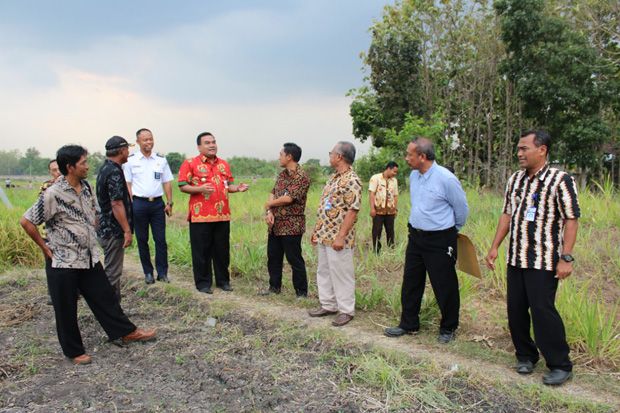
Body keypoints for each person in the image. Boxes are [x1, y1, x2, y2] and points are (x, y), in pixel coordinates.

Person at [20, 145, 156, 365]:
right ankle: (74, 351)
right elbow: (26, 221)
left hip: (88, 257)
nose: (87, 166)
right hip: (63, 261)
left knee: (105, 298)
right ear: (70, 167)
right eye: (83, 162)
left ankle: (125, 332)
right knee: (66, 308)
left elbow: (93, 214)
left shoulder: (85, 188)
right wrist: (45, 248)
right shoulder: (53, 193)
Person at [485, 130, 579, 386]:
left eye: (524, 148)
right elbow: (507, 214)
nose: (519, 153)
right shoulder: (515, 180)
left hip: (544, 260)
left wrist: (566, 257)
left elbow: (571, 218)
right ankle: (526, 355)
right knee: (515, 309)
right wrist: (495, 246)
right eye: (518, 148)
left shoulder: (560, 180)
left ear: (542, 150)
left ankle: (560, 364)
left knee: (542, 310)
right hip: (516, 258)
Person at [384, 138, 468, 344]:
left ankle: (448, 327)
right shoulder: (414, 176)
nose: (406, 158)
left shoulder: (446, 179)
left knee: (444, 284)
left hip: (440, 238)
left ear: (422, 156)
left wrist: (449, 232)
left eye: (409, 155)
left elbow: (462, 210)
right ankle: (409, 323)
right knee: (411, 280)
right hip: (416, 237)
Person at [178, 132, 249, 294]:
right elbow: (182, 186)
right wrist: (200, 189)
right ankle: (203, 283)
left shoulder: (223, 164)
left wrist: (237, 188)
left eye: (214, 142)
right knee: (201, 251)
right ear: (199, 146)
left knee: (222, 250)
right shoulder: (190, 163)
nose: (212, 145)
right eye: (207, 142)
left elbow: (228, 186)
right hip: (200, 215)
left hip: (222, 214)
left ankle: (223, 281)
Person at [309, 141, 362, 327]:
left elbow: (353, 210)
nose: (330, 155)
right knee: (323, 270)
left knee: (341, 273)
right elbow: (325, 205)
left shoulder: (352, 180)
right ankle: (328, 304)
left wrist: (341, 236)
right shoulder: (333, 178)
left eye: (331, 152)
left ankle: (346, 310)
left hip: (339, 237)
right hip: (324, 233)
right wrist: (317, 230)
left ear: (339, 156)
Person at [123, 128, 174, 284]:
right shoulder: (131, 160)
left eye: (151, 139)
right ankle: (148, 273)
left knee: (160, 240)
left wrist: (169, 202)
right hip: (139, 204)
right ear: (138, 142)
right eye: (145, 140)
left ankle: (162, 273)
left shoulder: (161, 159)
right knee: (142, 239)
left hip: (158, 204)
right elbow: (128, 184)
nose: (149, 142)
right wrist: (132, 204)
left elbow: (166, 181)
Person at [260, 143, 310, 297]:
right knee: (273, 257)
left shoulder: (302, 177)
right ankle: (274, 288)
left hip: (292, 225)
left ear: (289, 157)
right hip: (275, 224)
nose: (279, 157)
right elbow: (273, 192)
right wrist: (269, 211)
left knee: (294, 259)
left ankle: (301, 292)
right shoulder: (282, 175)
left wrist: (269, 204)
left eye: (281, 154)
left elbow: (289, 198)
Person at [96, 136, 134, 301]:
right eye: (127, 149)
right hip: (113, 229)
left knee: (113, 270)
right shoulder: (114, 171)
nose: (128, 152)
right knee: (113, 272)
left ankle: (115, 306)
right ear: (121, 151)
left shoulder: (106, 168)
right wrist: (126, 230)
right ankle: (108, 308)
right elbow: (116, 203)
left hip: (105, 227)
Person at [39, 159, 62, 305]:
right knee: (51, 263)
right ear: (50, 172)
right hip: (49, 233)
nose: (57, 172)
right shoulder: (46, 187)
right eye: (54, 170)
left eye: (59, 169)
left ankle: (75, 291)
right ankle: (53, 294)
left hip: (69, 234)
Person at [369, 161, 399, 253]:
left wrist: (395, 209)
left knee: (391, 232)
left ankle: (391, 251)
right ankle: (377, 252)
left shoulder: (394, 181)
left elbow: (395, 195)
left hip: (390, 211)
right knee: (377, 232)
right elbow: (372, 194)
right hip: (378, 211)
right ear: (388, 169)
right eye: (394, 171)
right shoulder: (375, 178)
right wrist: (372, 208)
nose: (395, 174)